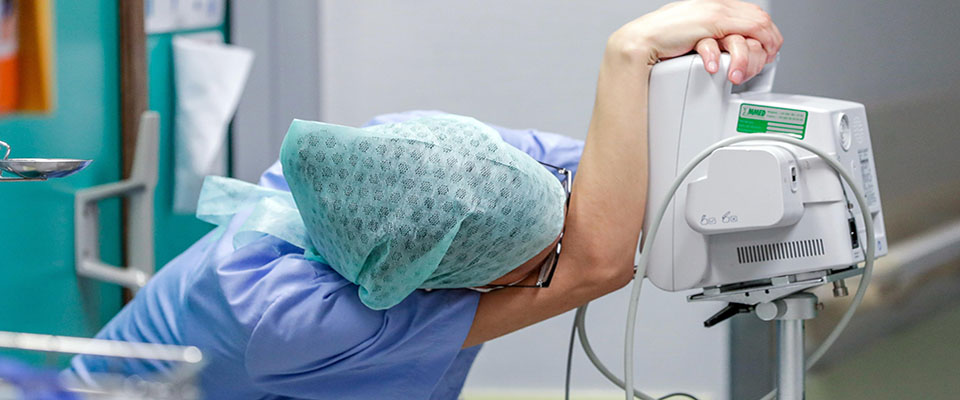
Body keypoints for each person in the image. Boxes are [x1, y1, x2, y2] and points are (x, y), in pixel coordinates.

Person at [68, 1, 782, 399]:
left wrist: (709, 74)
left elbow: (610, 186)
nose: (558, 252)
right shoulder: (295, 322)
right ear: (427, 285)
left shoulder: (412, 164)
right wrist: (628, 49)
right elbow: (598, 265)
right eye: (537, 269)